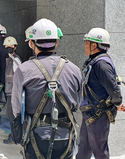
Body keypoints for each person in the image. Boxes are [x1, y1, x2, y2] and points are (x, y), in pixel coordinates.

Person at [12, 18, 82, 159]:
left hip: (35, 136)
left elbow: (16, 108)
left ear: (32, 43)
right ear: (56, 42)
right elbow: (77, 103)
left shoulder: (24, 70)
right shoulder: (74, 69)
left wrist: (17, 133)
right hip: (66, 137)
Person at [76, 28, 125, 159]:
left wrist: (118, 102)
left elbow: (113, 88)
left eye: (87, 42)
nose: (85, 45)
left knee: (99, 151)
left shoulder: (101, 64)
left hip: (98, 115)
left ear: (94, 45)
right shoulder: (94, 61)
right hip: (90, 113)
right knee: (83, 149)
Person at [3, 36, 22, 144]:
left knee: (11, 114)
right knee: (10, 114)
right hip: (9, 89)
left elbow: (19, 75)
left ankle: (15, 136)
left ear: (15, 47)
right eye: (6, 46)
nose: (7, 47)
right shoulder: (10, 59)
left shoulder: (16, 60)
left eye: (10, 46)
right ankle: (14, 135)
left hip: (13, 91)